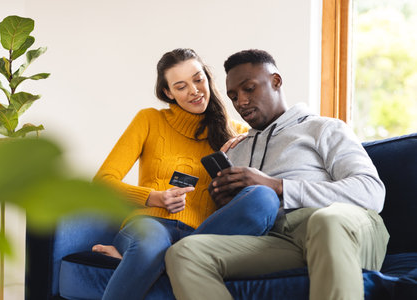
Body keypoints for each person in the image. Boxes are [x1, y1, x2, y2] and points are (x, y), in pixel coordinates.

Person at [165, 49, 390, 300]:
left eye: (249, 89)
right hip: (280, 239)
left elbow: (371, 192)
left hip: (342, 226)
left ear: (275, 81)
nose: (241, 102)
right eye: (233, 96)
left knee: (325, 222)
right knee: (183, 252)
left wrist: (279, 186)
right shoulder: (237, 150)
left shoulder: (323, 128)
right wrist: (229, 203)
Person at [91, 48, 280, 300]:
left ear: (208, 79)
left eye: (198, 79)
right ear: (168, 92)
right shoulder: (149, 120)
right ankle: (147, 257)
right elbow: (102, 184)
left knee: (262, 199)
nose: (194, 90)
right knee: (152, 244)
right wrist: (156, 198)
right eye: (180, 86)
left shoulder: (238, 133)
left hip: (201, 236)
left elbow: (247, 202)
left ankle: (144, 262)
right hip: (150, 226)